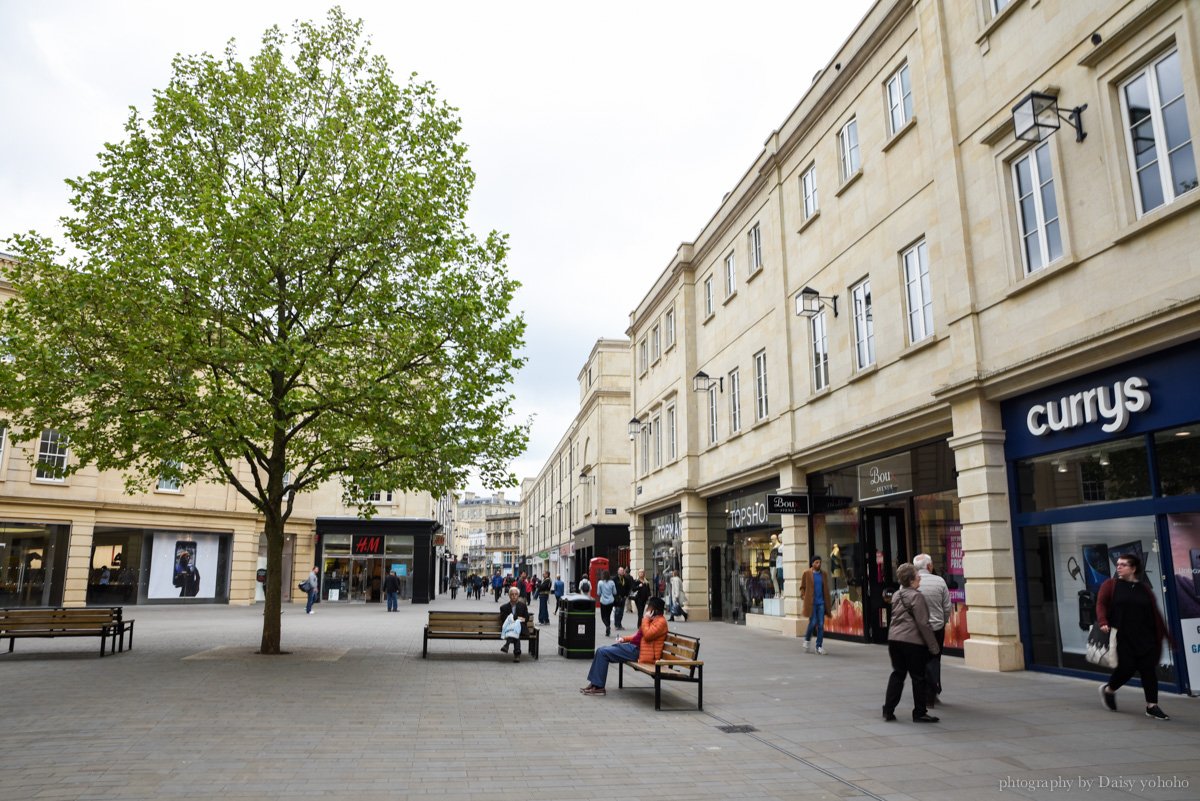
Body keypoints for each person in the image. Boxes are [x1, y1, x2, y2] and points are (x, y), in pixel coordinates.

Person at [1097, 552, 1171, 720]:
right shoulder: (1111, 584)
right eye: (1118, 564)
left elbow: (1155, 614)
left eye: (1123, 564)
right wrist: (1102, 621)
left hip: (1146, 637)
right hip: (1123, 636)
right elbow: (1101, 603)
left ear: (1133, 568)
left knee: (1149, 671)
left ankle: (1152, 706)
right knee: (1126, 669)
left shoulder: (1144, 588)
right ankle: (1109, 690)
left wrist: (1167, 636)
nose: (1119, 567)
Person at [882, 563, 940, 723]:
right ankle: (920, 712)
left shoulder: (896, 595)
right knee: (918, 677)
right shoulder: (916, 596)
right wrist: (933, 646)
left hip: (894, 639)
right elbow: (923, 624)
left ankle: (888, 709)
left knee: (898, 674)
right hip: (912, 642)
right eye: (917, 575)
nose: (920, 576)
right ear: (912, 579)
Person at [581, 597, 669, 695]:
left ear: (654, 610)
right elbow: (638, 636)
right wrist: (624, 639)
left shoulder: (661, 622)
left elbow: (648, 635)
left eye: (649, 607)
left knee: (603, 652)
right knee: (600, 650)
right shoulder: (653, 620)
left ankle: (599, 687)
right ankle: (594, 684)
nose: (646, 609)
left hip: (639, 652)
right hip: (634, 648)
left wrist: (645, 619)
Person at [913, 553, 952, 706]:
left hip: (916, 630)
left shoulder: (909, 583)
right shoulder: (940, 581)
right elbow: (947, 607)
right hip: (936, 628)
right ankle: (932, 693)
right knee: (934, 660)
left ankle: (922, 693)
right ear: (929, 566)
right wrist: (943, 621)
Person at [800, 556, 831, 655]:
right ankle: (807, 640)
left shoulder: (824, 574)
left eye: (820, 562)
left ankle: (819, 647)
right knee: (813, 623)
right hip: (811, 603)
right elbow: (802, 587)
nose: (819, 564)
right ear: (812, 563)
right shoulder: (807, 573)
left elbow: (825, 588)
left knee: (821, 625)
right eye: (816, 562)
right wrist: (803, 595)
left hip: (821, 602)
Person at [498, 586, 528, 663]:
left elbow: (526, 618)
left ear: (518, 595)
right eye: (512, 594)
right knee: (515, 629)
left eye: (516, 594)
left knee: (516, 627)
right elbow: (504, 619)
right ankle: (517, 653)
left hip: (521, 628)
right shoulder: (504, 607)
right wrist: (517, 618)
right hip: (508, 628)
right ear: (509, 595)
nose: (514, 596)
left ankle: (507, 644)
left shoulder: (523, 606)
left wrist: (517, 619)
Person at [597, 570, 617, 637]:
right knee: (608, 615)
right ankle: (608, 628)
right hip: (611, 601)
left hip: (603, 601)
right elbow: (615, 592)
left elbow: (598, 593)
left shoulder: (600, 582)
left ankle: (607, 626)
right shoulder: (612, 582)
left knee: (603, 616)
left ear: (602, 575)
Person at [613, 566, 632, 631]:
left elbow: (628, 587)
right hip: (617, 598)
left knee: (621, 612)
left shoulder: (626, 579)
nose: (621, 571)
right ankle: (616, 625)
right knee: (617, 611)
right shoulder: (614, 579)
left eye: (622, 570)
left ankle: (620, 624)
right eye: (620, 570)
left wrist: (626, 595)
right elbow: (613, 588)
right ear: (618, 571)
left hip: (623, 597)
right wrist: (615, 596)